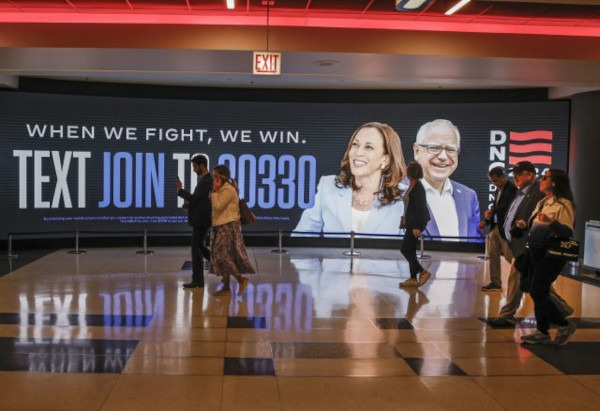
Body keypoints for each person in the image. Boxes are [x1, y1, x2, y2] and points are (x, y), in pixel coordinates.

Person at [490, 161, 571, 327]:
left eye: (519, 173)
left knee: (520, 278)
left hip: (532, 247)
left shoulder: (540, 194)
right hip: (521, 243)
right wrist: (521, 226)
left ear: (529, 174)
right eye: (515, 173)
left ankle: (509, 315)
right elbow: (531, 220)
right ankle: (561, 309)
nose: (515, 176)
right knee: (535, 283)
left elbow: (563, 230)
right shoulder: (523, 193)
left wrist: (542, 225)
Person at [293, 122, 407, 236]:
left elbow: (411, 248)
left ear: (385, 159)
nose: (358, 152)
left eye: (369, 147)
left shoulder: (405, 199)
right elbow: (300, 238)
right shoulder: (327, 186)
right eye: (355, 144)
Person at [520, 169, 577, 346]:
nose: (541, 180)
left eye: (545, 178)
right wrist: (524, 225)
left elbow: (567, 232)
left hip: (551, 254)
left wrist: (551, 222)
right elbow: (535, 227)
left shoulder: (564, 204)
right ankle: (542, 331)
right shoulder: (543, 202)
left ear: (554, 182)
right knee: (537, 291)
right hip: (535, 252)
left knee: (538, 289)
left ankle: (563, 324)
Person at [413, 119, 482, 241]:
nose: (443, 157)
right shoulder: (396, 195)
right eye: (434, 148)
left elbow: (475, 243)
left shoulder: (469, 196)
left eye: (451, 149)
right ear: (416, 151)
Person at [209, 164, 256, 297]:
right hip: (222, 225)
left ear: (221, 177)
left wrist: (214, 192)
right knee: (226, 255)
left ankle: (241, 280)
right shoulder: (223, 189)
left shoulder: (228, 190)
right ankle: (226, 288)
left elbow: (218, 207)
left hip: (228, 226)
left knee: (222, 255)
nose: (214, 178)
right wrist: (216, 192)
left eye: (215, 176)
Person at [176, 154, 212, 289]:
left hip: (201, 221)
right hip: (201, 220)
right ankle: (216, 264)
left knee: (196, 249)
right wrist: (190, 205)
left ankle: (199, 279)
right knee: (198, 247)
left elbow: (195, 198)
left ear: (202, 166)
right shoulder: (205, 180)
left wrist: (180, 190)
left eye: (195, 167)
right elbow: (200, 201)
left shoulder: (206, 181)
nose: (193, 169)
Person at [479, 166, 517, 292]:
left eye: (495, 180)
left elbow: (505, 207)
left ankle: (521, 281)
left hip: (505, 228)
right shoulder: (498, 190)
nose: (494, 183)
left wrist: (492, 211)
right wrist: (486, 221)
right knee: (493, 255)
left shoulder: (512, 189)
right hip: (495, 227)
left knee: (509, 256)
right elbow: (496, 208)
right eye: (492, 181)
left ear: (503, 177)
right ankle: (495, 282)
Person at [399, 161, 432, 288]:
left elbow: (420, 208)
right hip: (411, 224)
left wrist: (417, 226)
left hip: (415, 224)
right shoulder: (413, 185)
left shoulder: (418, 187)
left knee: (405, 249)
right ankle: (413, 279)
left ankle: (423, 272)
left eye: (408, 169)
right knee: (411, 250)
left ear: (411, 172)